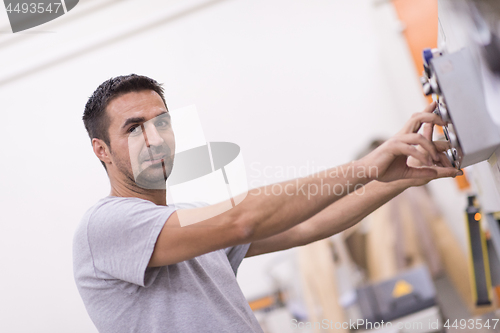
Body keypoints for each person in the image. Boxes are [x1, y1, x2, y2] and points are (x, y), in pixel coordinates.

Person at [73, 74, 461, 333]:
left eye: (161, 122)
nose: (154, 138)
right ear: (101, 150)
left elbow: (308, 226)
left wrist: (397, 177)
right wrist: (363, 168)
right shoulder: (105, 226)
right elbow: (242, 221)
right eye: (133, 128)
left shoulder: (186, 219)